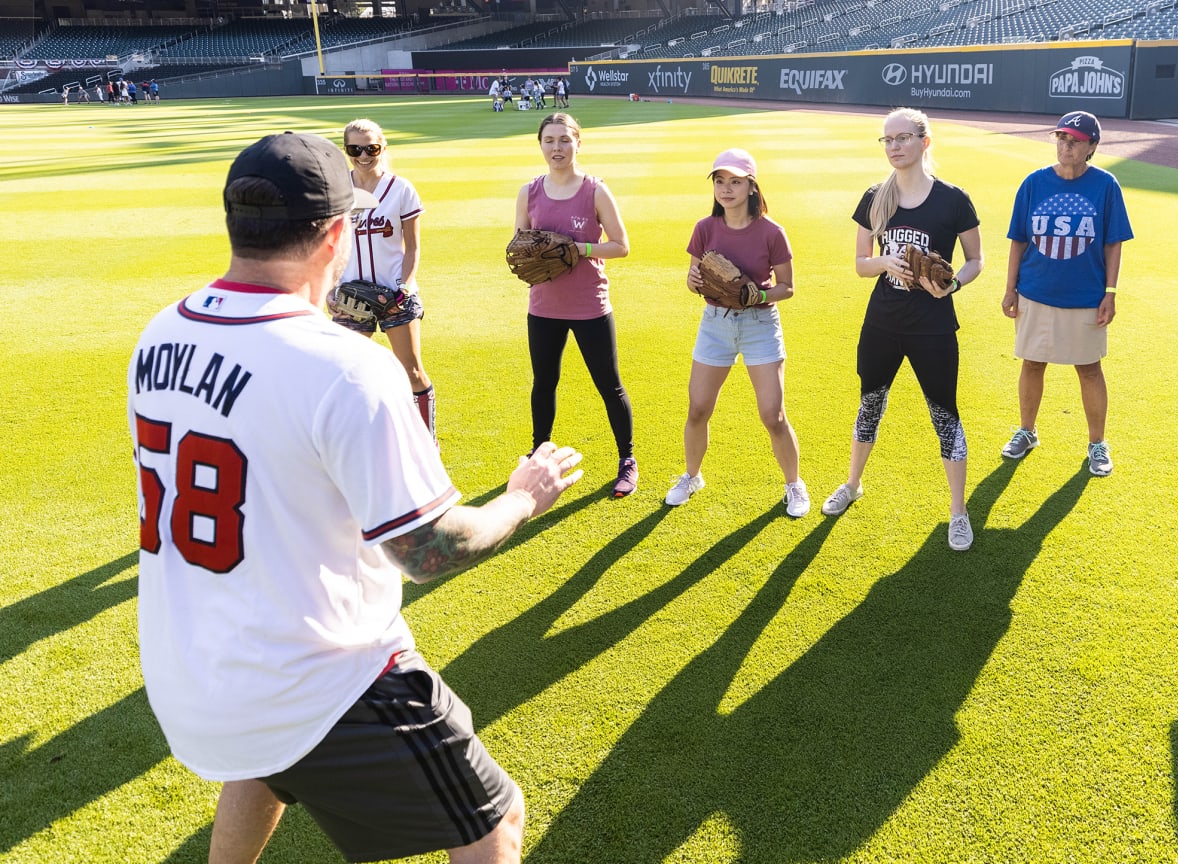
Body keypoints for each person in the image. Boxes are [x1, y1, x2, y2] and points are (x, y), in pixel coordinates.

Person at [128, 131, 583, 862]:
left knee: (269, 761)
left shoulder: (159, 334)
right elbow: (431, 551)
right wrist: (524, 497)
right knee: (497, 824)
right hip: (314, 679)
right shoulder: (344, 368)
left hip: (193, 674)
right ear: (336, 235)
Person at [821, 107, 984, 551]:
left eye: (903, 138)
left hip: (932, 326)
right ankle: (852, 484)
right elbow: (860, 264)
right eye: (887, 140)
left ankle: (958, 511)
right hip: (882, 323)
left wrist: (951, 285)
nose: (894, 146)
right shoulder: (876, 197)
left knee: (944, 415)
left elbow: (975, 261)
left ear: (924, 141)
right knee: (870, 404)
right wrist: (883, 262)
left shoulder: (953, 199)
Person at [666, 148, 807, 517]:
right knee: (698, 409)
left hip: (760, 325)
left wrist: (757, 294)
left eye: (735, 182)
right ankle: (691, 476)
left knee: (772, 414)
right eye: (719, 181)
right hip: (715, 324)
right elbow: (693, 280)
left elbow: (787, 287)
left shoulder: (772, 232)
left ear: (751, 186)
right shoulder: (705, 228)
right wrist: (694, 281)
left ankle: (794, 485)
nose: (726, 189)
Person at [1000, 111, 1133, 477]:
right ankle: (1027, 431)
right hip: (1035, 291)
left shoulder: (1105, 185)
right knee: (1032, 362)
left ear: (1091, 146)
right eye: (1061, 138)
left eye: (1075, 140)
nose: (1066, 146)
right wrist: (1010, 288)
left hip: (1085, 296)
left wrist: (1110, 292)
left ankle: (1097, 443)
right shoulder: (1034, 183)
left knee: (1089, 369)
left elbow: (1113, 244)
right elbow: (1018, 240)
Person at [516, 112, 639, 497]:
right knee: (544, 383)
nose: (557, 148)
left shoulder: (595, 191)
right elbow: (520, 244)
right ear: (540, 145)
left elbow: (621, 245)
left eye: (564, 140)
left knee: (609, 385)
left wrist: (576, 249)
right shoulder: (529, 191)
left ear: (578, 143)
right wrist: (532, 253)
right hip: (544, 305)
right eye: (550, 140)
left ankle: (627, 460)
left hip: (589, 304)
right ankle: (538, 454)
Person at [326, 119, 437, 442]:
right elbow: (329, 246)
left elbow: (413, 247)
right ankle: (357, 444)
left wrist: (405, 286)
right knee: (347, 376)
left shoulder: (401, 188)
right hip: (350, 297)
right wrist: (330, 288)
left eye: (371, 148)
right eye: (354, 149)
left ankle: (426, 441)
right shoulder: (336, 189)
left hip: (394, 295)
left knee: (412, 372)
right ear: (346, 150)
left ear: (382, 148)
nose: (363, 155)